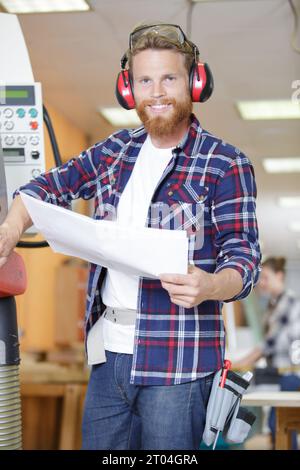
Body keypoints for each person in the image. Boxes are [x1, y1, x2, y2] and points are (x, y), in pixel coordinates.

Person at [0, 22, 261, 450]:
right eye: (145, 80)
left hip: (180, 365)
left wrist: (210, 284)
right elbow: (44, 189)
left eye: (169, 78)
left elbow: (244, 259)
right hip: (108, 361)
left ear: (194, 82)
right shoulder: (113, 152)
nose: (156, 92)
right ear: (129, 89)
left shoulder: (226, 163)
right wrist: (10, 228)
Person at [233, 257, 300, 449]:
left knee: (282, 424)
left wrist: (241, 362)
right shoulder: (274, 304)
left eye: (266, 278)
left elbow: (269, 344)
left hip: (290, 373)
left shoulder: (287, 302)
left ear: (280, 276)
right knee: (280, 424)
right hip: (281, 373)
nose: (261, 283)